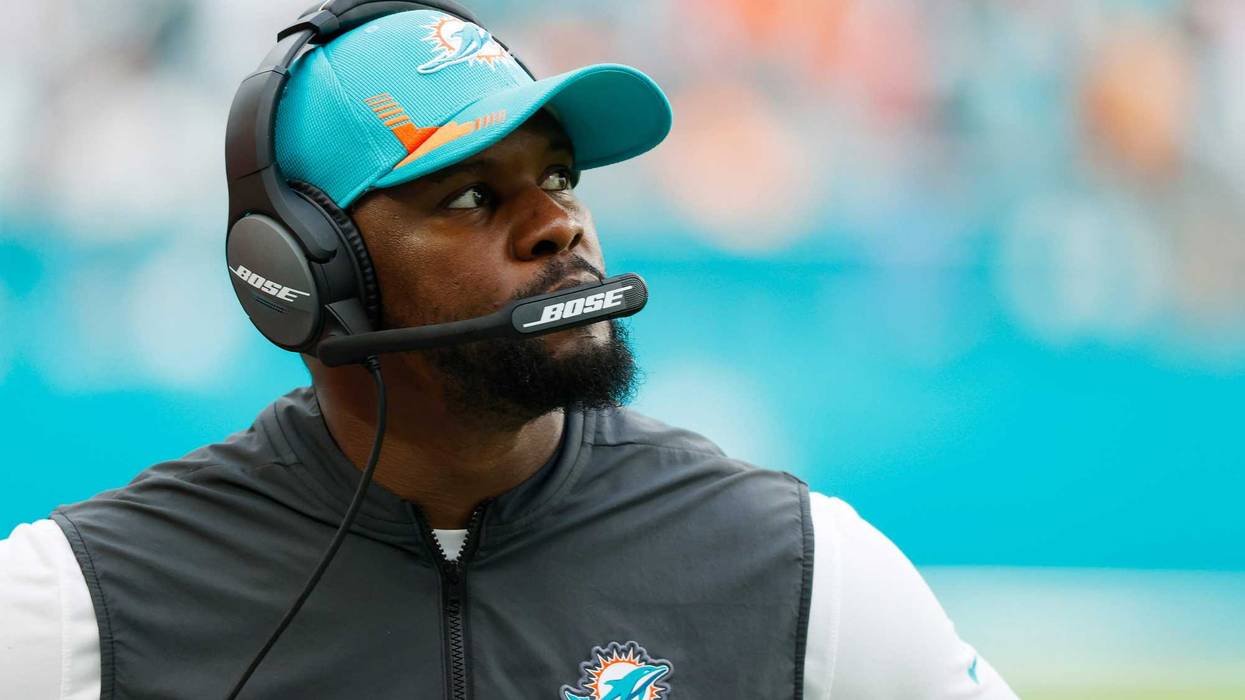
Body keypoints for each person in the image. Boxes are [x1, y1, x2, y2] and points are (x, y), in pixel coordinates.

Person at [0, 4, 1017, 699]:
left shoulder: (803, 570)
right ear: (311, 272)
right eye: (474, 196)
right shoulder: (77, 604)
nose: (559, 227)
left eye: (562, 178)